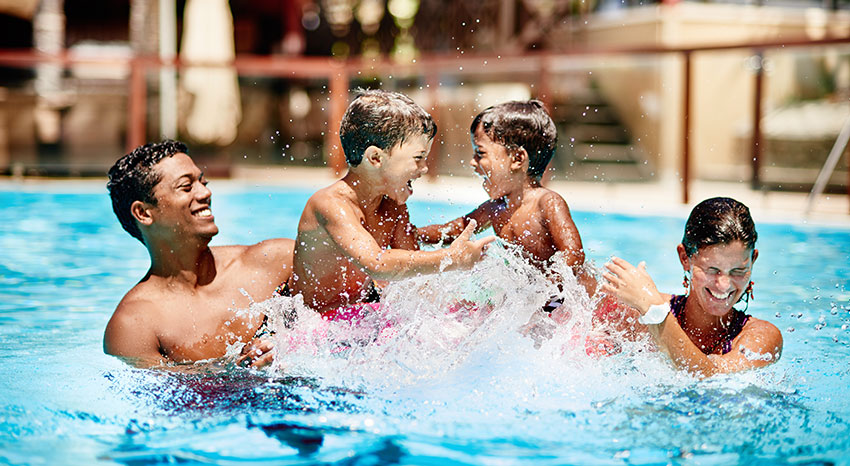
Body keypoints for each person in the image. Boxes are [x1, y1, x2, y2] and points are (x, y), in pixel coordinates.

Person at [288, 89, 495, 318]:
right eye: (418, 157)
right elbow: (377, 263)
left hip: (362, 310)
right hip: (312, 318)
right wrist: (452, 259)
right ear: (375, 158)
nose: (424, 168)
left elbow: (418, 281)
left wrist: (461, 311)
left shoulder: (393, 207)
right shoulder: (331, 204)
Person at [104, 140, 294, 368]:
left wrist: (290, 345)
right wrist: (238, 368)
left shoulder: (276, 262)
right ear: (143, 213)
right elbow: (166, 395)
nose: (205, 192)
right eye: (186, 187)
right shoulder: (134, 324)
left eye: (203, 182)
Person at [417, 100, 596, 306]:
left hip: (574, 303)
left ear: (517, 158)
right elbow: (457, 229)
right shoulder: (495, 207)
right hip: (540, 301)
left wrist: (546, 300)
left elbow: (573, 254)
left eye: (480, 153)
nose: (472, 162)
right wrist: (413, 232)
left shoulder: (546, 202)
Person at [602, 197, 783, 377]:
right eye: (712, 270)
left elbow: (710, 377)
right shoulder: (637, 313)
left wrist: (654, 311)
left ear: (753, 261)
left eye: (738, 270)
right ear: (684, 258)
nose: (724, 285)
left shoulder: (762, 337)